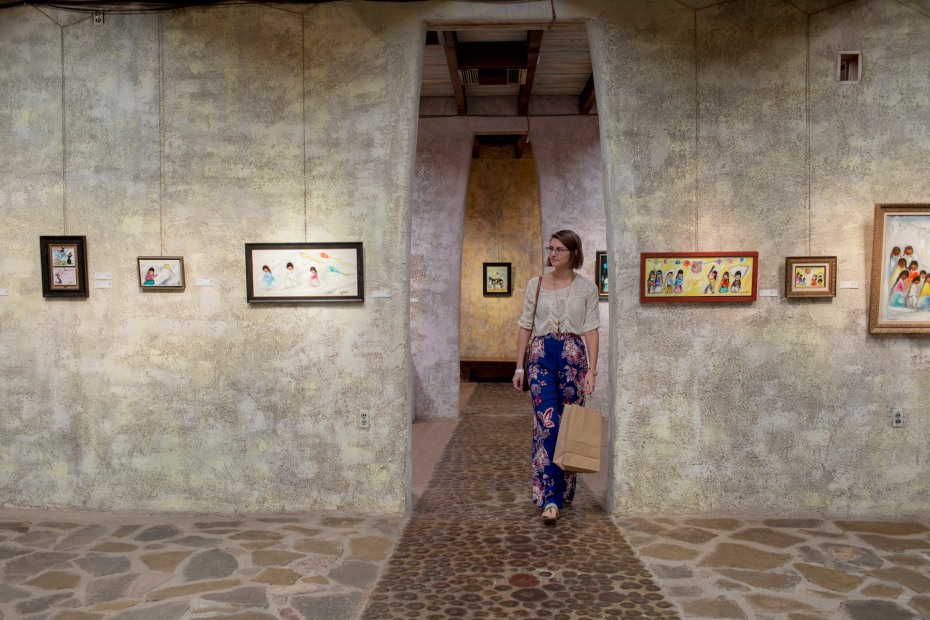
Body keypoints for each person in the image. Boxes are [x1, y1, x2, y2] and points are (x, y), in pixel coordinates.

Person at [512, 230, 600, 523]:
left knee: (567, 426)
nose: (553, 254)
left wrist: (591, 370)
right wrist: (519, 367)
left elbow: (591, 329)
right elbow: (525, 325)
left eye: (559, 249)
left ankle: (560, 492)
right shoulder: (535, 285)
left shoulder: (587, 288)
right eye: (550, 248)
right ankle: (550, 497)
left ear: (574, 253)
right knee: (547, 423)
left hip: (574, 358)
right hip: (541, 356)